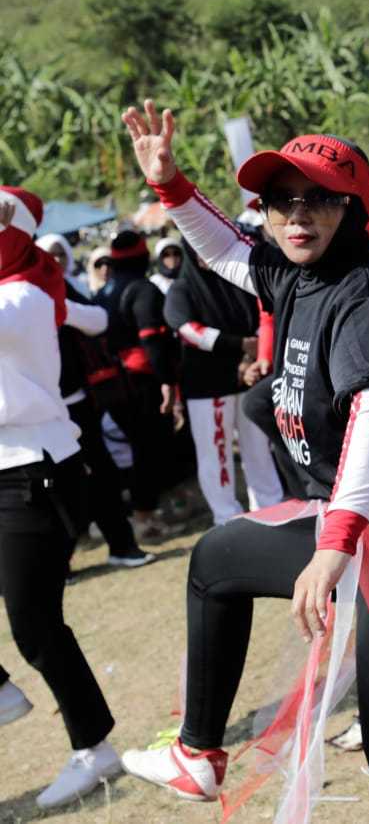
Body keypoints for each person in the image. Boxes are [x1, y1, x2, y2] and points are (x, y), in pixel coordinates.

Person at [116, 107, 369, 824]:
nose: (298, 215)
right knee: (218, 558)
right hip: (366, 528)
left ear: (354, 210)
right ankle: (198, 754)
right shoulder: (297, 273)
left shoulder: (365, 293)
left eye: (319, 198)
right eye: (282, 199)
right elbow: (227, 250)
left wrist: (331, 547)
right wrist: (169, 186)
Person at [0, 187, 125, 809]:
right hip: (12, 470)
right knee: (34, 622)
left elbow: (95, 319)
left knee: (37, 625)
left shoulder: (23, 295)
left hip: (36, 471)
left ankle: (95, 748)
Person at [36, 235, 153, 566]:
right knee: (51, 487)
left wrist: (54, 303)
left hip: (76, 401)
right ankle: (61, 564)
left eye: (60, 254)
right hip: (35, 411)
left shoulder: (63, 287)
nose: (55, 261)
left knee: (102, 474)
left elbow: (98, 321)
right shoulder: (15, 290)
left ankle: (122, 546)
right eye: (48, 256)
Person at [164, 247, 283, 525]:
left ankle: (271, 508)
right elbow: (187, 329)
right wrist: (238, 345)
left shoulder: (235, 280)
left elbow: (262, 317)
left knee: (259, 450)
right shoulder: (181, 289)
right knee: (216, 455)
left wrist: (254, 356)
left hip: (249, 378)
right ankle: (227, 517)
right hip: (209, 387)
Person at [98, 228, 181, 541]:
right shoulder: (141, 289)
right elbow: (152, 342)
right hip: (140, 380)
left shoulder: (105, 290)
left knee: (137, 449)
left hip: (110, 382)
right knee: (148, 449)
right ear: (143, 257)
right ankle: (143, 519)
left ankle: (142, 512)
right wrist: (167, 382)